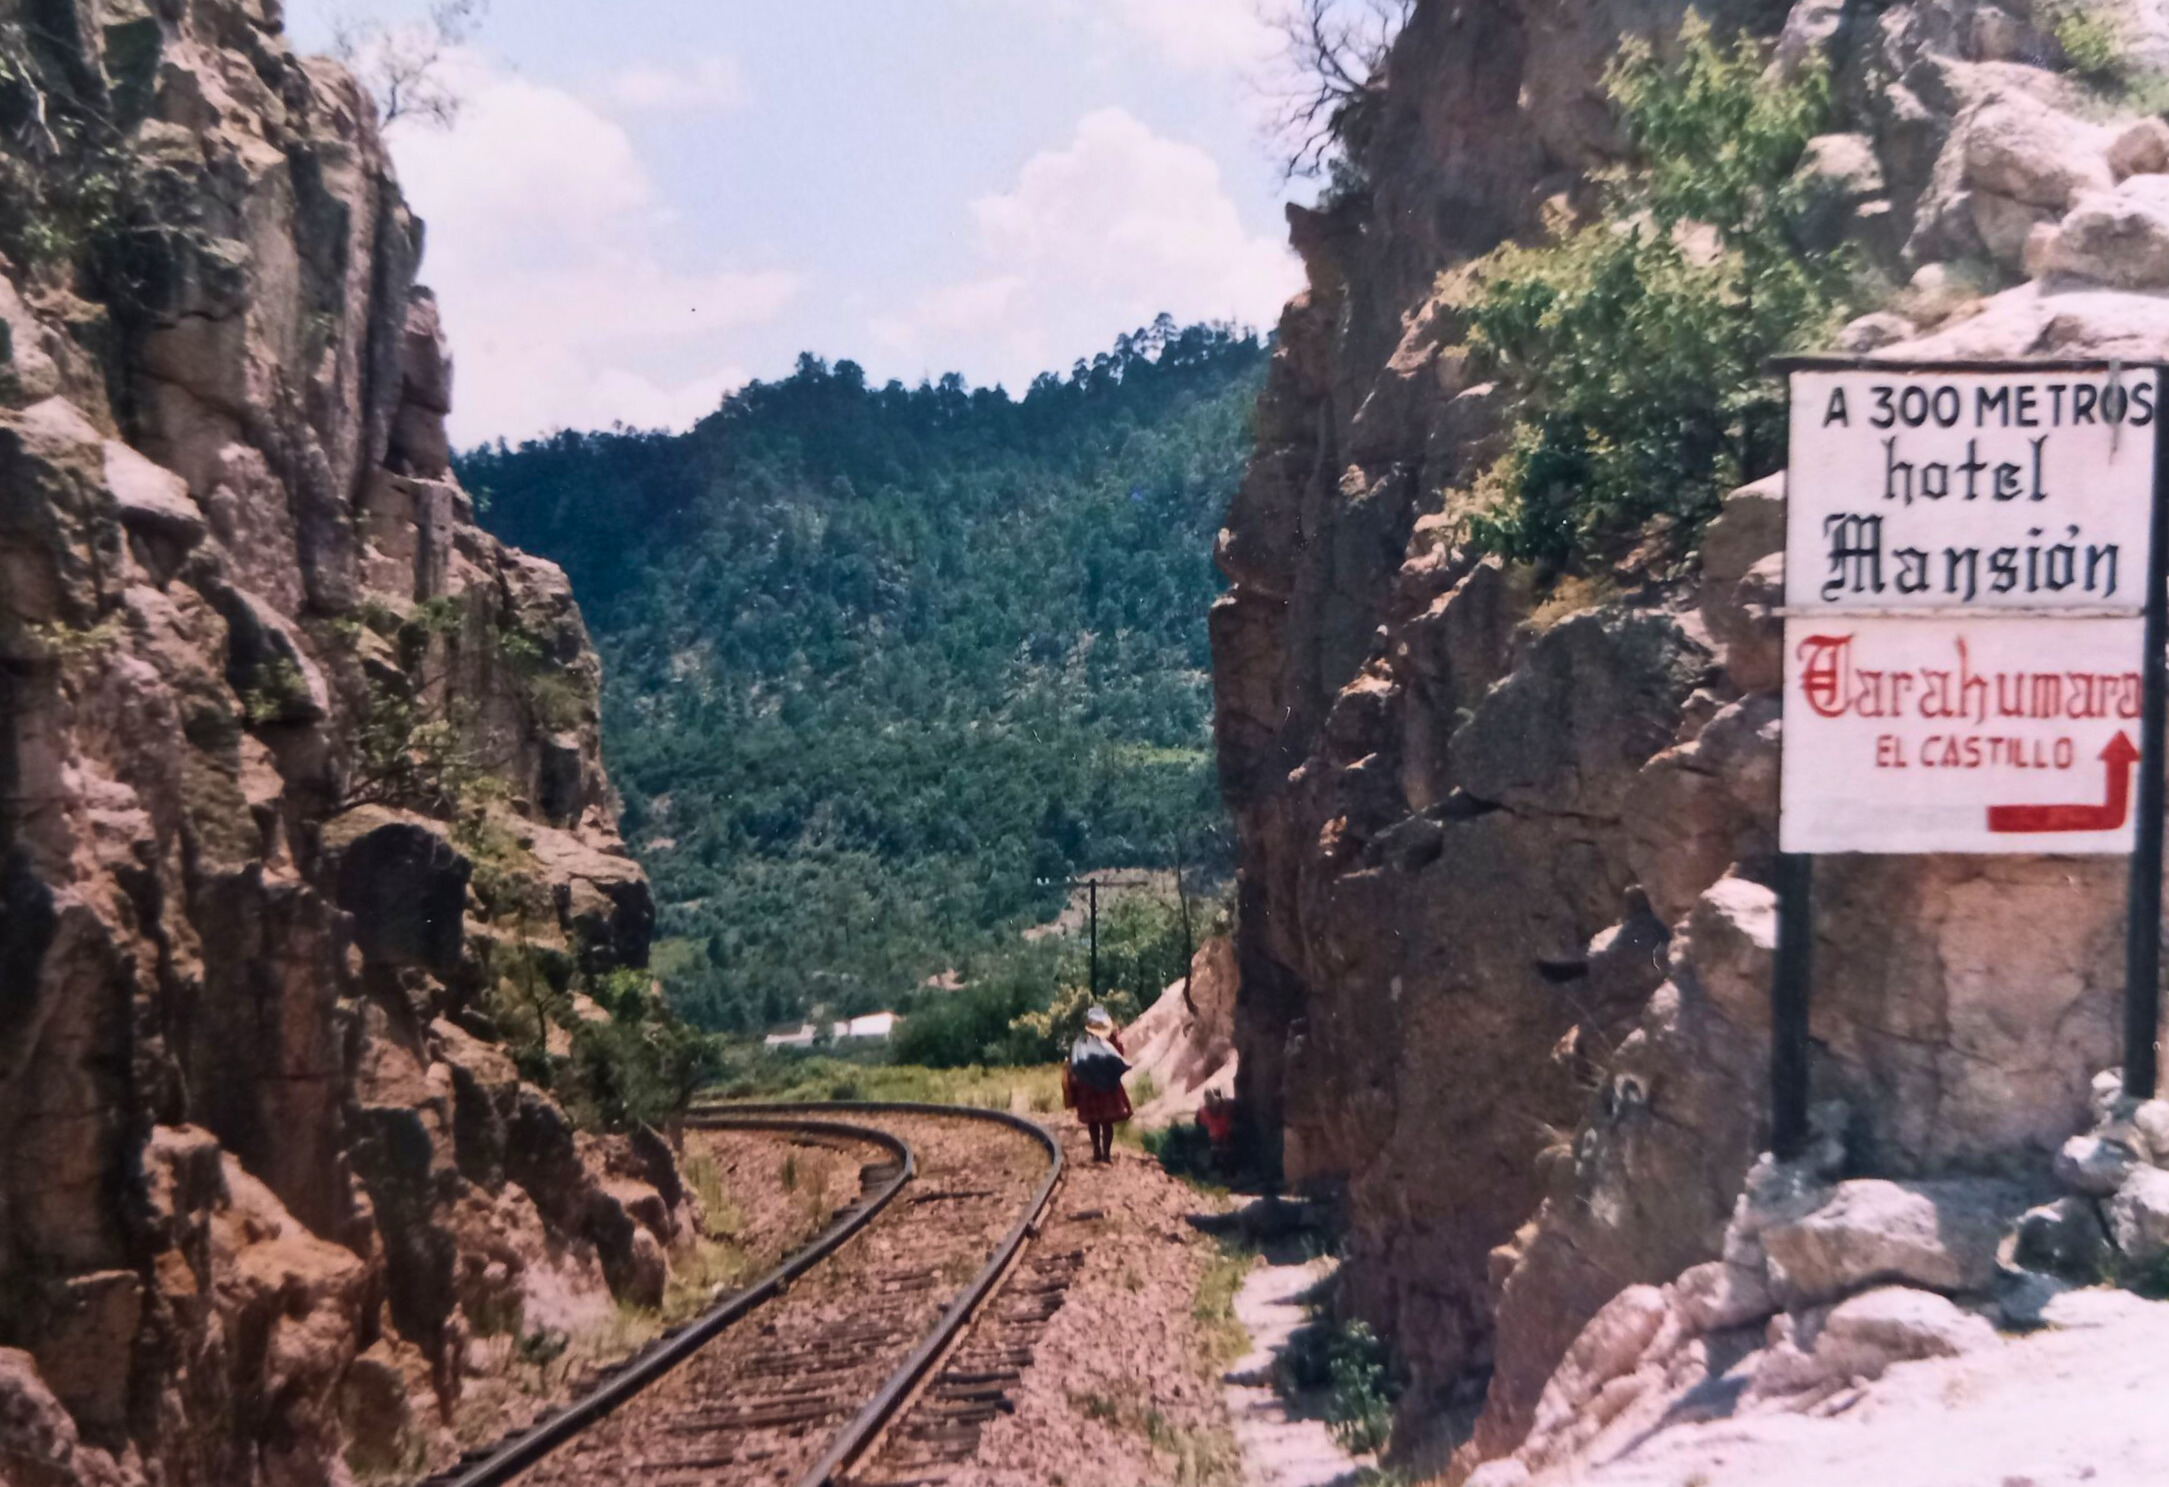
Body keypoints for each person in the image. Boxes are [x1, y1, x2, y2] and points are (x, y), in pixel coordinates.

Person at [1062, 1005, 1132, 1163]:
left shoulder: (1083, 1041)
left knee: (1096, 1120)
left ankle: (1099, 1152)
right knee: (1103, 1121)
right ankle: (1103, 1153)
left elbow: (1075, 1060)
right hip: (1104, 1085)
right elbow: (1120, 1054)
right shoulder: (1105, 1039)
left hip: (1089, 1085)